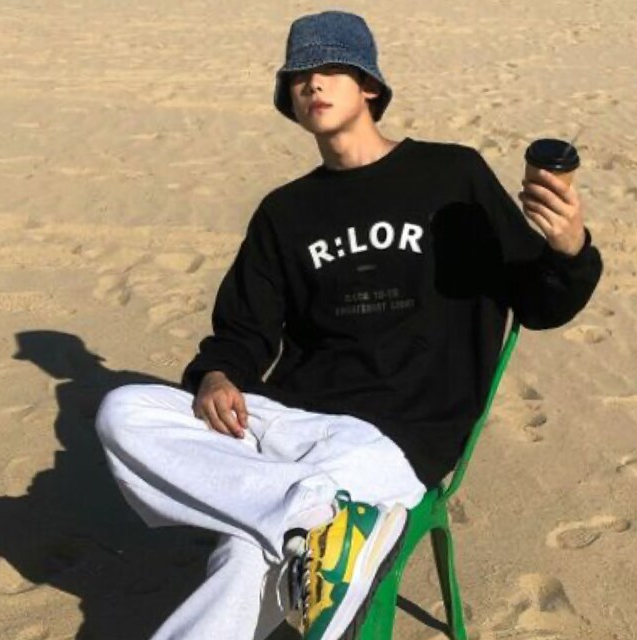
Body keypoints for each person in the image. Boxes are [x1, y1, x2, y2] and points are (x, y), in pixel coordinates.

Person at [95, 10, 602, 640]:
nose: (312, 82)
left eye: (331, 68)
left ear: (369, 87)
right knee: (123, 410)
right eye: (299, 75)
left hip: (392, 438)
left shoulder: (452, 176)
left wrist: (569, 248)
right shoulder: (284, 211)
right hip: (286, 423)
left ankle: (303, 524)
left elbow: (540, 302)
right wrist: (218, 374)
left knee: (246, 557)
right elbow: (243, 329)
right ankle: (311, 521)